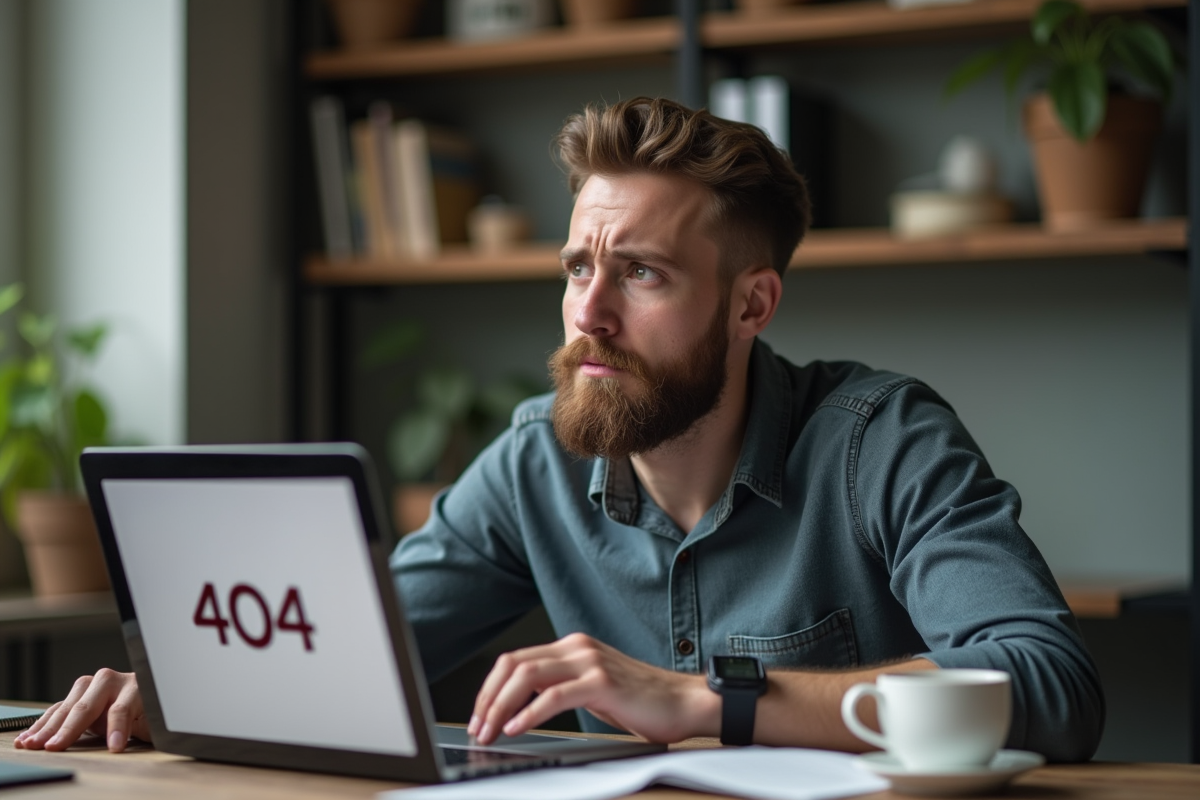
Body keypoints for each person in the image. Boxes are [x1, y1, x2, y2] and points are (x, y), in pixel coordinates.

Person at [16, 97, 1104, 761]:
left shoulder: (881, 439)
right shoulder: (537, 456)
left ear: (751, 304)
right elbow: (352, 656)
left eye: (640, 272)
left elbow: (1047, 686)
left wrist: (700, 700)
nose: (589, 309)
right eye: (580, 264)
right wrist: (179, 691)